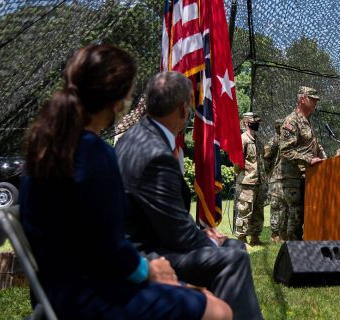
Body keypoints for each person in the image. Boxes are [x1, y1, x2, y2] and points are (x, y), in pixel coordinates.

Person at [20, 44, 232, 320]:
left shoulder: (45, 148)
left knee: (197, 294)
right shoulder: (94, 153)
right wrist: (149, 270)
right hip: (92, 298)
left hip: (53, 291)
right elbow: (109, 247)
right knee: (219, 310)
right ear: (118, 100)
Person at [115, 71, 263, 320]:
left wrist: (202, 232)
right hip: (145, 254)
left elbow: (165, 215)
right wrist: (209, 240)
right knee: (233, 259)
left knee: (235, 246)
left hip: (148, 240)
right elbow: (179, 236)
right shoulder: (156, 154)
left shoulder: (134, 138)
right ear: (184, 109)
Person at [279, 86, 326, 240]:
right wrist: (308, 159)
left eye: (316, 100)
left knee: (305, 214)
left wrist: (326, 160)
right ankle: (293, 252)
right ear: (302, 99)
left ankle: (302, 250)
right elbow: (285, 150)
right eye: (312, 99)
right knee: (297, 215)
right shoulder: (292, 120)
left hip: (308, 176)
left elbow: (315, 146)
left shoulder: (308, 122)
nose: (315, 102)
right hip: (293, 177)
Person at [234, 112, 265, 246]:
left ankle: (255, 237)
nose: (257, 124)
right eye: (254, 121)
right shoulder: (243, 139)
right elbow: (237, 161)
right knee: (245, 209)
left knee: (258, 211)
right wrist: (240, 174)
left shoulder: (258, 140)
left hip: (258, 181)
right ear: (246, 122)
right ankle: (241, 239)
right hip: (246, 181)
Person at [264, 119, 287, 243]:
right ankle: (274, 235)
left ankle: (283, 233)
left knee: (284, 207)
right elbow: (266, 156)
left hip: (285, 178)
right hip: (276, 179)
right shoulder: (275, 140)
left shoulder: (287, 140)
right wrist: (269, 172)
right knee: (276, 206)